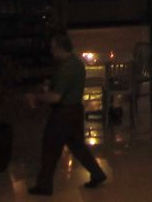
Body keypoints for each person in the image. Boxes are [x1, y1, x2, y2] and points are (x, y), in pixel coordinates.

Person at [28, 33, 107, 195]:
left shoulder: (65, 68)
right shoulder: (77, 63)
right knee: (77, 146)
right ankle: (97, 173)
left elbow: (56, 97)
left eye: (52, 48)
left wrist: (37, 97)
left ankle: (44, 186)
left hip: (62, 114)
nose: (51, 51)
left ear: (60, 48)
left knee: (50, 148)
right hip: (76, 110)